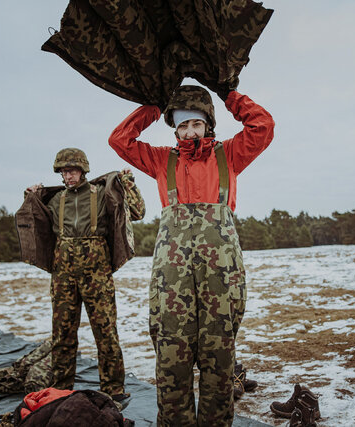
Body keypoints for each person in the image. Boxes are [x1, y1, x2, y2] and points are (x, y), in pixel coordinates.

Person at [109, 85, 274, 425]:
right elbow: (119, 140)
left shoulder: (229, 155)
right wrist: (154, 105)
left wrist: (228, 94)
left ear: (208, 125)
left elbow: (263, 126)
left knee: (219, 359)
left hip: (221, 278)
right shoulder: (161, 160)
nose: (189, 131)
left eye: (196, 124)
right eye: (182, 125)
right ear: (174, 126)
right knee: (172, 358)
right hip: (173, 281)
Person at [25, 148, 145, 401]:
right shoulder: (55, 200)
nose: (68, 176)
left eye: (72, 170)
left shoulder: (102, 193)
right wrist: (32, 196)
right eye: (63, 171)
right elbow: (33, 221)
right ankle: (61, 390)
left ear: (83, 170)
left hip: (97, 273)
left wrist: (129, 183)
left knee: (106, 333)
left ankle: (114, 390)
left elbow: (137, 212)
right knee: (62, 335)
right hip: (63, 274)